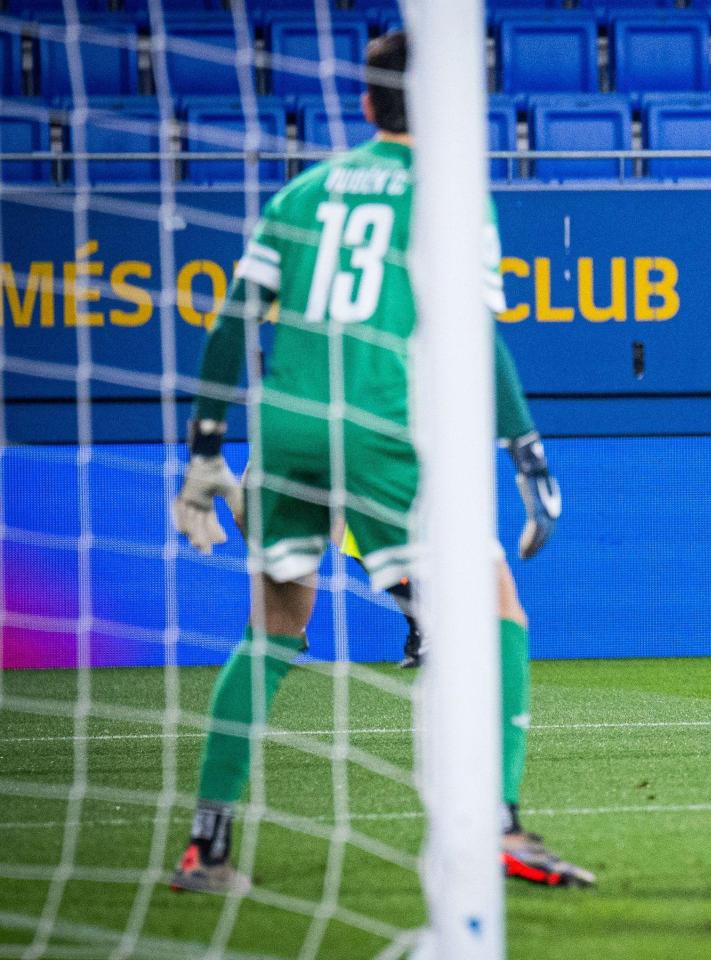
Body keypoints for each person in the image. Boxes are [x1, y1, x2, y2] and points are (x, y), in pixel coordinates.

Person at [166, 31, 590, 893]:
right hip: (379, 426)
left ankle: (205, 847)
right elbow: (477, 334)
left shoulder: (300, 192)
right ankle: (498, 826)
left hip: (283, 431)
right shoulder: (449, 196)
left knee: (273, 630)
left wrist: (206, 452)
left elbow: (229, 324)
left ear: (364, 103)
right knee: (498, 611)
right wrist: (525, 449)